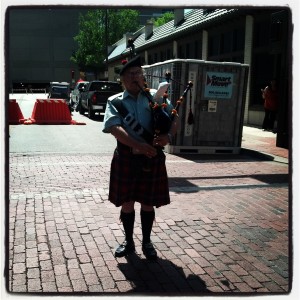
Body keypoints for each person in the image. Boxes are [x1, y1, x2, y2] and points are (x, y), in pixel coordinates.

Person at [102, 55, 179, 260]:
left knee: (148, 202)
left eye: (138, 73)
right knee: (127, 202)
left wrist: (169, 135)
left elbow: (174, 117)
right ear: (123, 79)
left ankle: (147, 241)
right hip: (127, 158)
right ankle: (128, 241)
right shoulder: (115, 101)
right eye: (130, 74)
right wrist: (138, 145)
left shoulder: (156, 97)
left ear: (144, 77)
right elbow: (114, 128)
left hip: (151, 158)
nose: (135, 77)